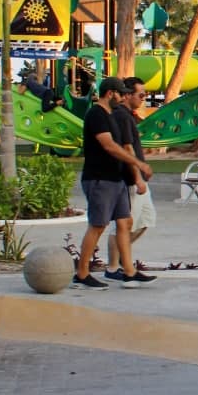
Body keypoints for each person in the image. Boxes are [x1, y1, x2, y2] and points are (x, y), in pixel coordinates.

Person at [73, 77, 154, 290]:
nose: (124, 97)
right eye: (121, 94)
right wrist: (138, 164)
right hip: (100, 178)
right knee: (98, 225)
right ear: (110, 93)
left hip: (116, 179)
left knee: (125, 222)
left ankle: (128, 272)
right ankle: (82, 274)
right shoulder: (96, 114)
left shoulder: (110, 115)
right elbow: (109, 146)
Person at [104, 77, 155, 280]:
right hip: (131, 180)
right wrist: (137, 177)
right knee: (124, 225)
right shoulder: (122, 117)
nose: (143, 98)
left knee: (145, 220)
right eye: (141, 95)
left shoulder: (127, 116)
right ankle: (114, 267)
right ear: (128, 95)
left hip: (137, 179)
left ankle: (121, 260)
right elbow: (127, 149)